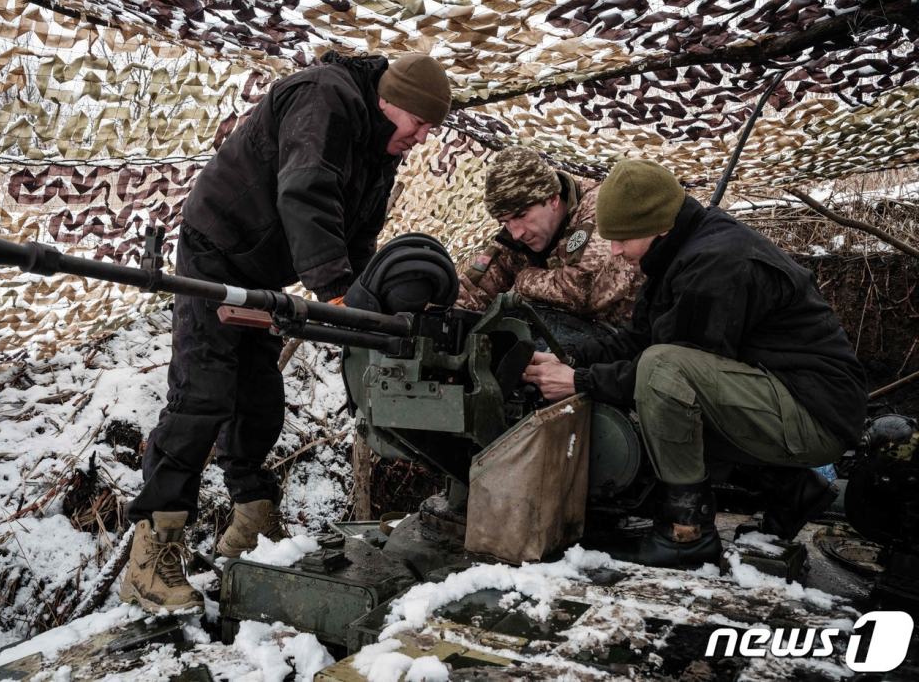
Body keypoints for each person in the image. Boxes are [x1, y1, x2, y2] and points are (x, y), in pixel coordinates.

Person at [119, 52, 453, 614]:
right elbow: (305, 190)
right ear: (390, 100)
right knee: (202, 394)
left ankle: (249, 522)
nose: (421, 137)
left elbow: (360, 232)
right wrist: (334, 288)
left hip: (264, 272)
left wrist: (362, 308)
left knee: (258, 400)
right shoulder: (325, 97)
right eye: (418, 123)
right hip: (216, 251)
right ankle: (153, 552)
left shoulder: (377, 142)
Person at [522, 159, 868, 569]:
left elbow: (666, 370)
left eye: (623, 239)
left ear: (659, 226)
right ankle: (791, 486)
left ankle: (687, 534)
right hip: (781, 399)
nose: (615, 251)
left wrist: (580, 382)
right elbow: (642, 339)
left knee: (663, 380)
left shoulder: (716, 261)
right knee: (660, 391)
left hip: (814, 416)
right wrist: (568, 359)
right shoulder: (682, 249)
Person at [455, 146, 643, 327]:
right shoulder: (514, 236)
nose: (516, 232)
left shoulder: (599, 207)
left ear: (553, 198)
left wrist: (524, 281)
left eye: (521, 215)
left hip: (630, 344)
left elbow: (584, 292)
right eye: (504, 221)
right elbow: (472, 292)